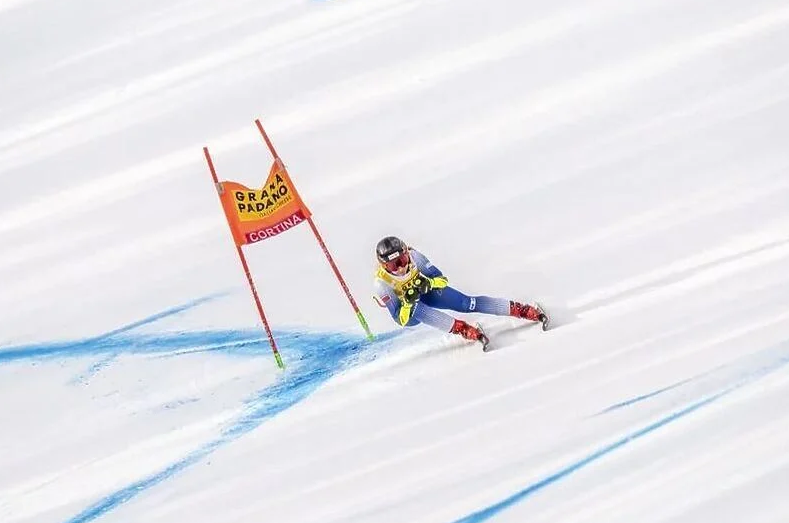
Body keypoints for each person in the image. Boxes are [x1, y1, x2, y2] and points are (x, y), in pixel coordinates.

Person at [372, 236, 547, 347]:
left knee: (465, 303)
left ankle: (521, 310)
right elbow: (401, 320)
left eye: (402, 260)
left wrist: (429, 283)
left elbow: (442, 280)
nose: (400, 268)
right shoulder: (382, 284)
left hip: (426, 292)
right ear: (384, 266)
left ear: (406, 253)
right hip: (409, 312)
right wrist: (408, 303)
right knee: (419, 310)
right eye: (393, 266)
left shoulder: (415, 257)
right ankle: (462, 329)